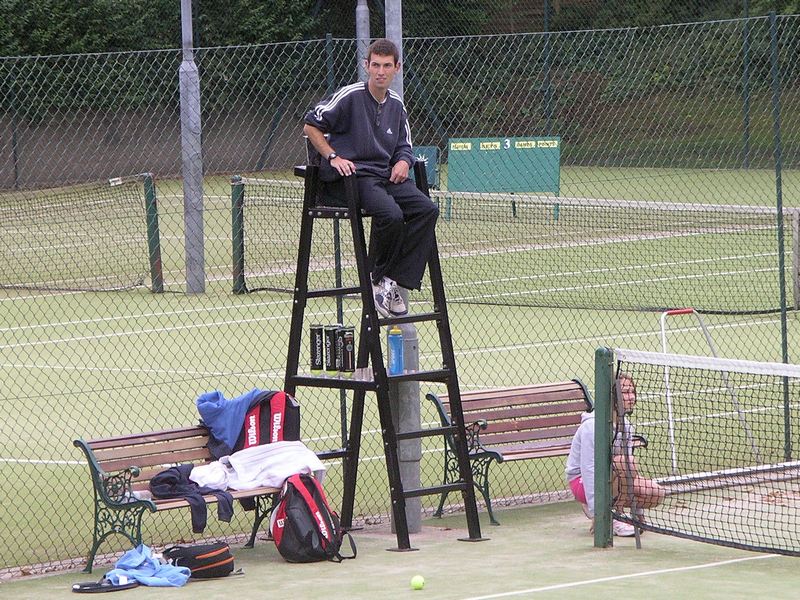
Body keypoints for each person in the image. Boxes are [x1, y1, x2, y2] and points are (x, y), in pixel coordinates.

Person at [303, 38, 439, 318]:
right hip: (353, 179)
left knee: (427, 209)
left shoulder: (397, 104)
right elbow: (310, 125)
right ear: (366, 66)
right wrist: (333, 157)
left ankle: (394, 281)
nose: (380, 71)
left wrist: (403, 161)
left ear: (397, 68)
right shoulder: (349, 96)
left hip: (385, 177)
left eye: (386, 66)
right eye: (375, 65)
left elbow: (404, 144)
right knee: (390, 215)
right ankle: (377, 279)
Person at [565, 372, 665, 536]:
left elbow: (629, 475)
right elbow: (589, 469)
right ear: (612, 395)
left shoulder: (626, 426)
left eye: (632, 392)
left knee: (655, 494)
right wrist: (596, 511)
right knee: (625, 462)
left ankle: (619, 514)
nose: (631, 397)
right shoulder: (592, 427)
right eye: (625, 392)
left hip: (613, 478)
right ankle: (611, 517)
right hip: (582, 481)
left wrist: (637, 513)